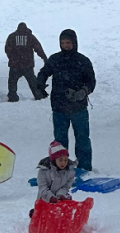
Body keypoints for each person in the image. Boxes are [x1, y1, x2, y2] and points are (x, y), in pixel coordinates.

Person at [37, 29, 96, 172]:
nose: (65, 45)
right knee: (60, 140)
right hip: (59, 107)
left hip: (79, 108)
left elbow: (91, 82)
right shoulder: (55, 59)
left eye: (68, 42)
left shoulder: (83, 61)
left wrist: (83, 92)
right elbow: (44, 72)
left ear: (74, 42)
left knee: (82, 139)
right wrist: (39, 84)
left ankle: (85, 167)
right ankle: (60, 167)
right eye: (63, 43)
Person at [4, 22, 48, 102]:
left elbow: (7, 49)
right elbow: (38, 47)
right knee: (32, 82)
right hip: (27, 64)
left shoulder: (12, 36)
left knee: (12, 81)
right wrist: (44, 57)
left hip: (15, 65)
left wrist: (12, 58)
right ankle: (38, 95)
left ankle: (12, 96)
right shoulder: (30, 37)